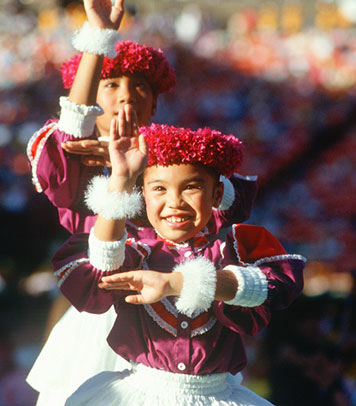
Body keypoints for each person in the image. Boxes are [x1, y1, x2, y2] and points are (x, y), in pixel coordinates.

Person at [26, 1, 257, 404]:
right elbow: (64, 144)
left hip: (176, 314)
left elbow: (230, 199)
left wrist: (154, 161)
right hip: (101, 320)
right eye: (110, 85)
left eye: (140, 87)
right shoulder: (77, 158)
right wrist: (98, 41)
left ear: (155, 104)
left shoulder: (177, 163)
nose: (125, 97)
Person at [52, 114, 306, 406]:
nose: (175, 201)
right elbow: (100, 268)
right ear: (142, 194)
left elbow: (275, 286)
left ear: (217, 193)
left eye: (191, 187)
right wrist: (121, 181)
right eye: (159, 188)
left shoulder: (234, 251)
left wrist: (177, 283)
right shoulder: (136, 254)